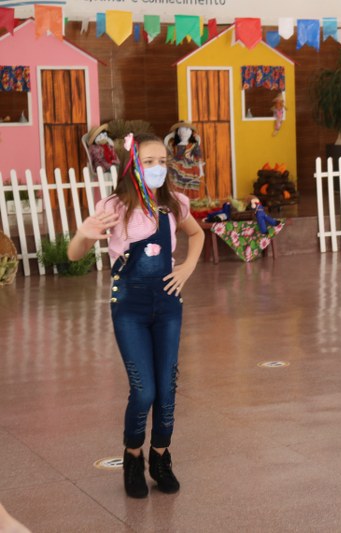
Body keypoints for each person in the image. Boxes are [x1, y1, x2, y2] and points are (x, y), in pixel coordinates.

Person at [68, 133, 204, 498]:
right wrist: (82, 235)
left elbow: (197, 235)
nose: (158, 168)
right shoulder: (114, 207)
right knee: (144, 391)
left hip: (168, 305)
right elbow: (74, 254)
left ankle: (160, 457)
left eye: (163, 161)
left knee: (167, 389)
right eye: (149, 162)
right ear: (132, 166)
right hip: (129, 307)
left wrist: (187, 267)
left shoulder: (174, 204)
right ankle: (132, 456)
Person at [165, 122, 204, 199]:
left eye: (187, 130)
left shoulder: (193, 145)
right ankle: (176, 195)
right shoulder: (173, 145)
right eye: (181, 130)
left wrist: (201, 170)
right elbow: (169, 155)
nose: (184, 132)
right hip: (176, 163)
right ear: (178, 133)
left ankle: (190, 197)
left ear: (191, 133)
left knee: (192, 173)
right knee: (172, 167)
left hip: (190, 165)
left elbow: (198, 157)